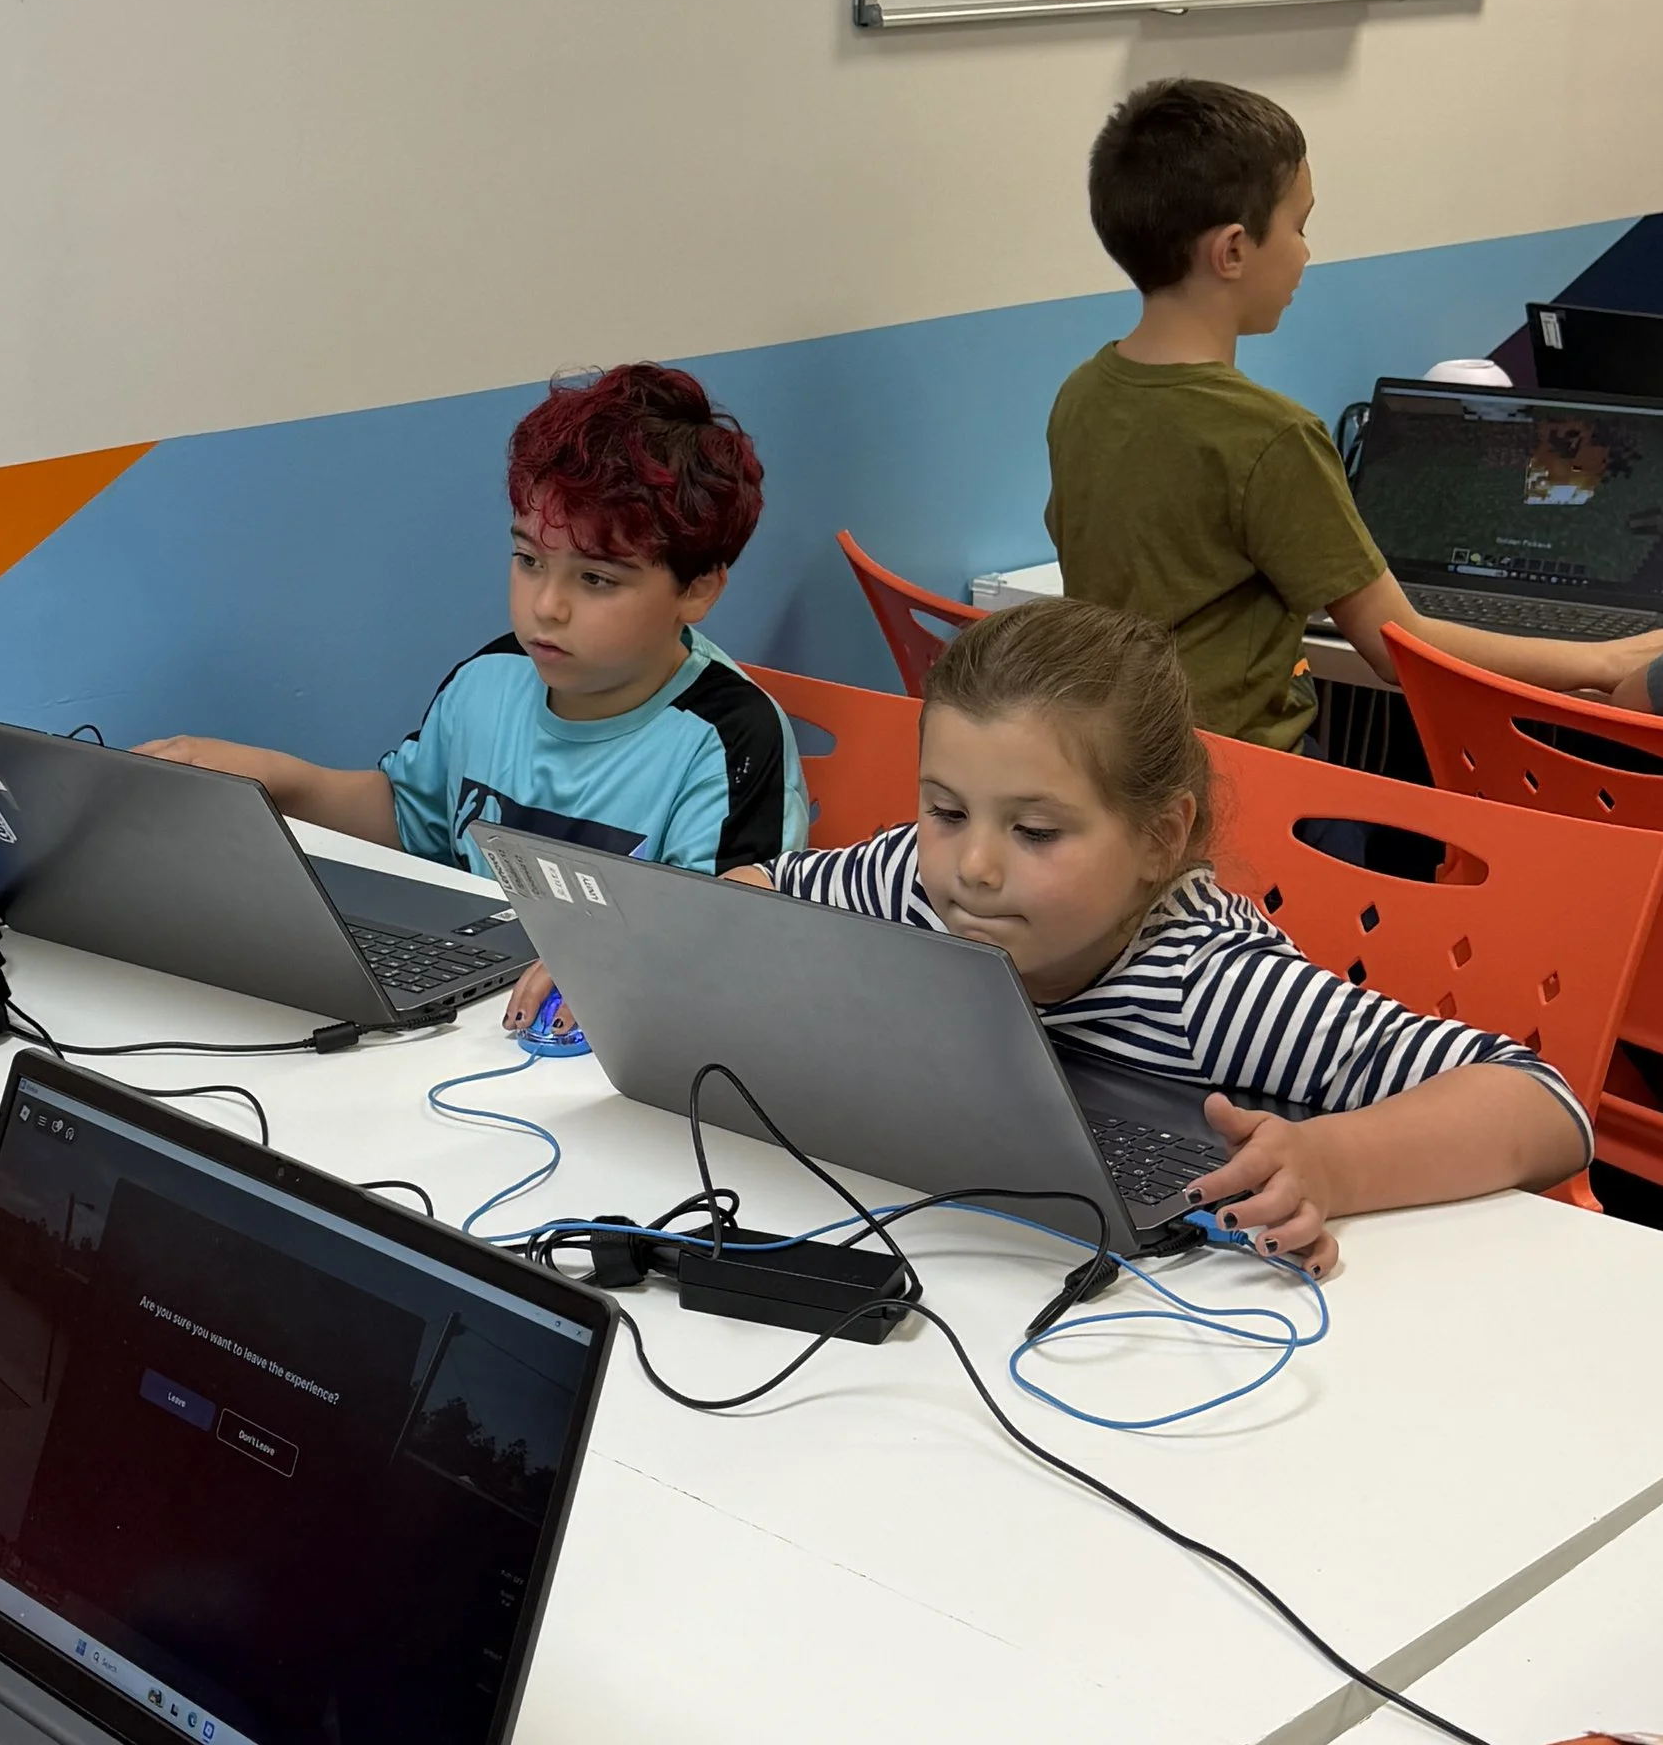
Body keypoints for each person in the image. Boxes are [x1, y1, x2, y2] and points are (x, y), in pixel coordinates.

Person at [752, 597, 1589, 1276]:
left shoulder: (1205, 985)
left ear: (1158, 838)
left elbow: (1541, 1101)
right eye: (945, 810)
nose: (972, 865)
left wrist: (1333, 1163)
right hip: (968, 1254)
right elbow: (749, 899)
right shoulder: (913, 879)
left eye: (1035, 831)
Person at [139, 361, 809, 1032]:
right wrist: (275, 780)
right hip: (476, 1024)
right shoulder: (493, 676)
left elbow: (731, 938)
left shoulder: (728, 740)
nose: (546, 606)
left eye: (598, 579)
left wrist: (620, 965)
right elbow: (410, 814)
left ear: (697, 589)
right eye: (529, 560)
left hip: (607, 1050)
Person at [1045, 79, 1663, 748]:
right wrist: (1609, 658)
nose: (1305, 252)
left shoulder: (1084, 392)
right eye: (1298, 226)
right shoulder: (1272, 435)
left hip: (1119, 764)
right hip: (1243, 780)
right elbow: (1396, 644)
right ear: (1232, 250)